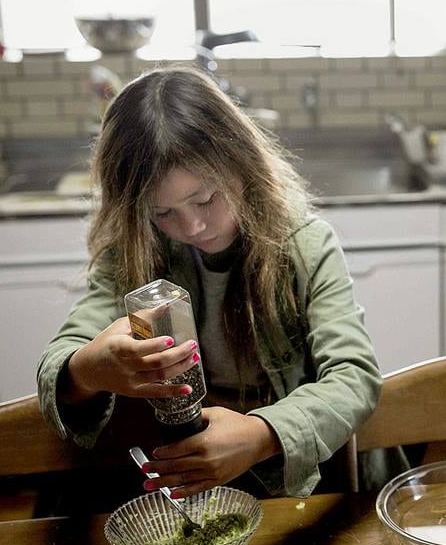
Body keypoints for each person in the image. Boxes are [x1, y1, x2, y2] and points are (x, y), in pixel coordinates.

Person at [37, 65, 396, 504]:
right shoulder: (131, 252)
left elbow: (354, 377)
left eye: (206, 198)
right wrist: (88, 368)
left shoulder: (304, 245)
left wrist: (262, 434)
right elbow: (61, 359)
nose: (193, 225)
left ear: (241, 165)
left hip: (295, 485)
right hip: (184, 483)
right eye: (162, 213)